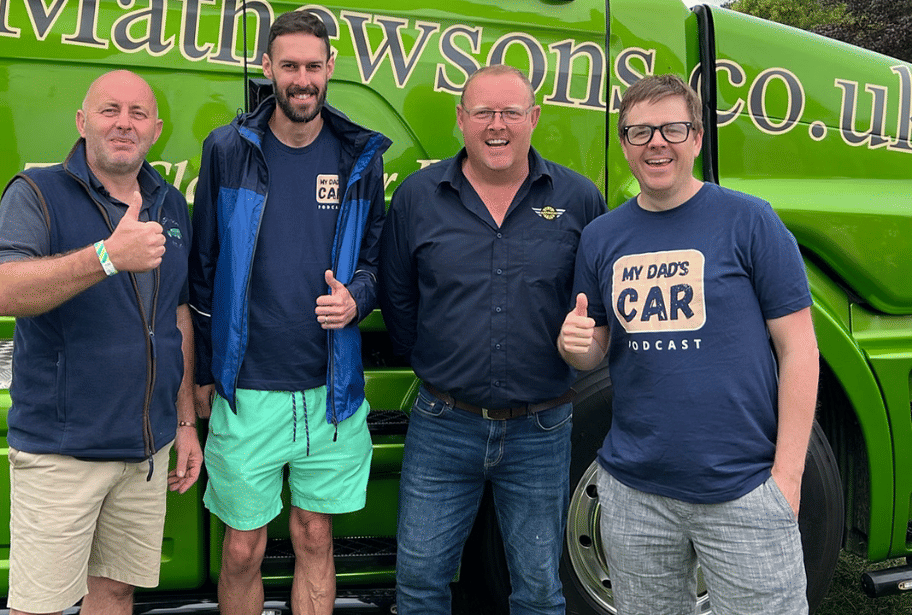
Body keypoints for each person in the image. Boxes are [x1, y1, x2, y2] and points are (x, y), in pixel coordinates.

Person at [558, 74, 819, 615]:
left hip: (744, 491)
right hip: (633, 494)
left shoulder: (750, 220)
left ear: (697, 138)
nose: (657, 143)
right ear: (624, 146)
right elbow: (595, 350)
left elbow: (800, 350)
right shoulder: (602, 237)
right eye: (640, 132)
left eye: (672, 128)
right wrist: (574, 345)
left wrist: (786, 479)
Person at [379, 64, 607, 615]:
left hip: (542, 428)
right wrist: (442, 360)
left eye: (510, 112)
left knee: (537, 591)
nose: (496, 125)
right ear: (461, 120)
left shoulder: (578, 199)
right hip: (443, 425)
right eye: (483, 112)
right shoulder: (417, 198)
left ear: (534, 119)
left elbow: (597, 308)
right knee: (418, 585)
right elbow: (398, 300)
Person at [188, 10, 391, 615]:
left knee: (314, 538)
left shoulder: (360, 156)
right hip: (248, 390)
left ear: (330, 69)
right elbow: (203, 269)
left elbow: (377, 264)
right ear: (269, 70)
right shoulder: (228, 149)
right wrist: (201, 374)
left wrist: (356, 296)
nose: (301, 79)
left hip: (329, 390)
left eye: (312, 66)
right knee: (244, 548)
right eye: (288, 66)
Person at [0, 70, 202, 615]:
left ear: (155, 130)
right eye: (109, 110)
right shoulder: (38, 192)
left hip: (144, 451)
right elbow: (0, 291)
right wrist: (106, 256)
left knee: (115, 592)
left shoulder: (170, 203)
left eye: (137, 114)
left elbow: (175, 315)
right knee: (41, 606)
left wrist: (183, 424)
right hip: (63, 453)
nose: (123, 123)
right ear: (82, 122)